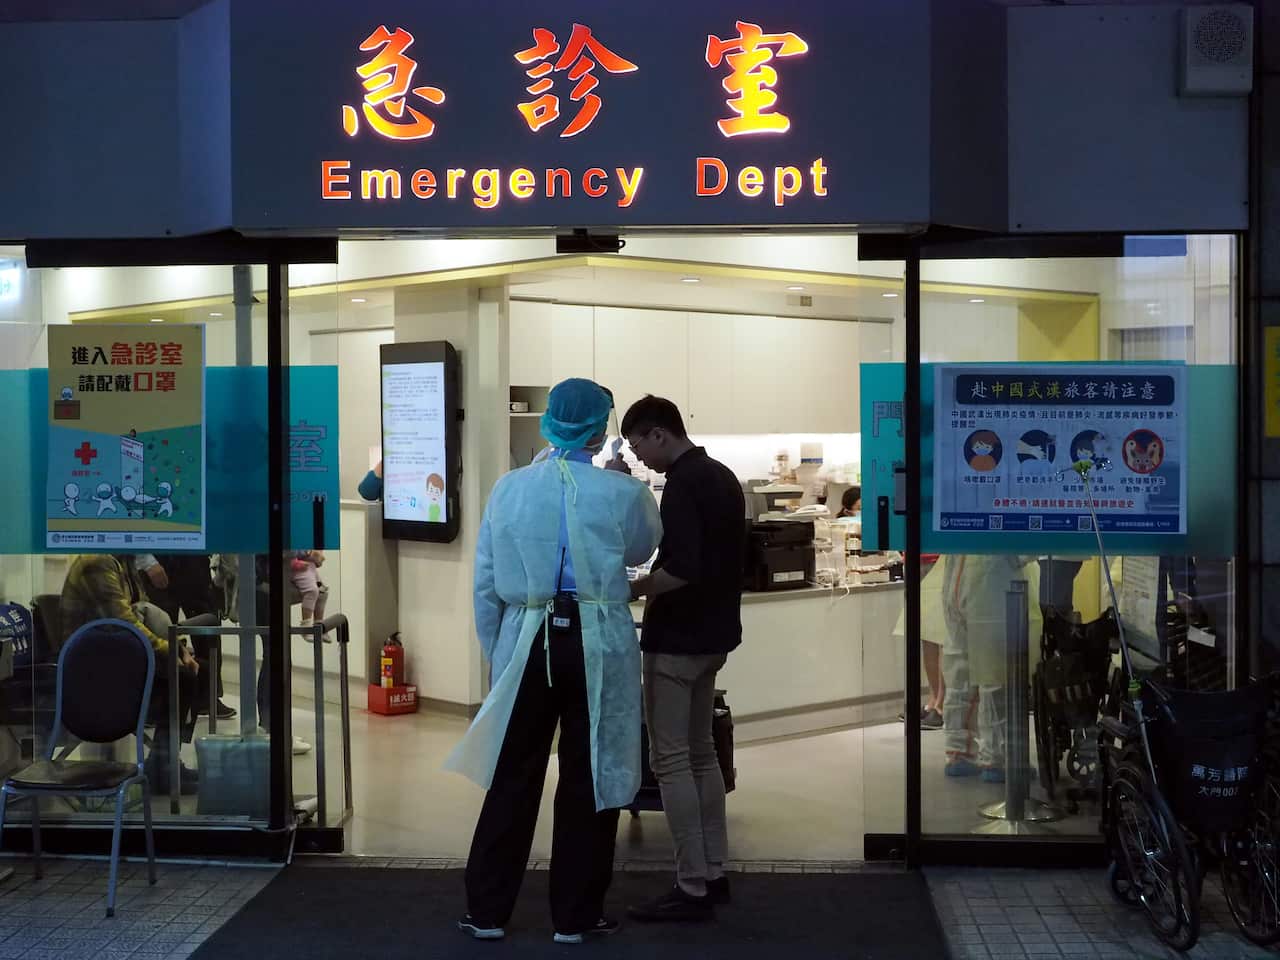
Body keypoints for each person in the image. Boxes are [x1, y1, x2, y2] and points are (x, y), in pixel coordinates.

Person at [445, 378, 661, 945]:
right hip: (598, 638)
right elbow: (642, 549)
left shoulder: (510, 489)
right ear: (600, 427)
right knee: (591, 773)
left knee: (513, 776)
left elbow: (486, 581)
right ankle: (576, 914)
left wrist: (498, 655)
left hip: (527, 638)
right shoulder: (623, 492)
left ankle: (487, 911)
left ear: (548, 422)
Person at [622, 396, 745, 924]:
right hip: (715, 635)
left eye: (637, 446)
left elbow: (684, 568)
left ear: (658, 434)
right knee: (702, 756)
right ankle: (713, 871)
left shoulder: (681, 485)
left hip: (675, 641)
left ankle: (691, 882)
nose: (639, 459)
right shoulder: (722, 475)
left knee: (669, 760)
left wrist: (636, 587)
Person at [60, 554, 201, 793]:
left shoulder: (123, 561)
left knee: (187, 673)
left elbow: (145, 615)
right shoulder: (97, 562)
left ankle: (163, 763)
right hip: (92, 669)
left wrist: (179, 649)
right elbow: (123, 622)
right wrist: (171, 651)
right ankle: (162, 766)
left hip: (114, 655)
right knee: (182, 678)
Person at [940, 554, 1041, 782]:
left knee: (960, 664)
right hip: (991, 577)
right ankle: (998, 759)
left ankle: (958, 751)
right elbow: (1020, 547)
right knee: (996, 671)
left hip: (955, 576)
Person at [135, 553, 235, 720]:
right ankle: (156, 703)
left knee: (208, 627)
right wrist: (147, 562)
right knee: (160, 629)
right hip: (159, 559)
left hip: (194, 558)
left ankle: (208, 697)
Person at [289, 550, 327, 627]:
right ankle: (306, 625)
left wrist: (318, 556)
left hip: (308, 564)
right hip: (294, 565)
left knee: (323, 593)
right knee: (312, 591)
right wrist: (309, 552)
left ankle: (319, 626)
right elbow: (288, 552)